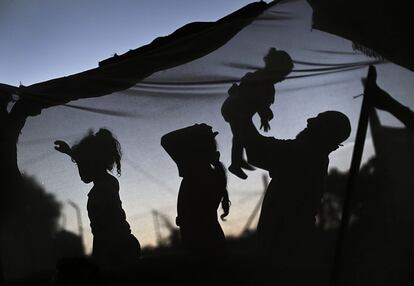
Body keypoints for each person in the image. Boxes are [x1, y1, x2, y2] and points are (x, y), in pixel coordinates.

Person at [237, 108, 351, 281]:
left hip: (283, 257)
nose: (309, 120)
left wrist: (241, 113)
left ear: (326, 136)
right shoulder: (313, 157)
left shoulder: (305, 155)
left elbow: (256, 151)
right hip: (291, 252)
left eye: (318, 122)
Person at [54, 129, 140, 273]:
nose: (79, 170)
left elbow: (105, 232)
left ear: (93, 163)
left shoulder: (102, 191)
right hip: (124, 245)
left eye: (81, 165)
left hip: (117, 250)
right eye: (78, 165)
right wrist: (71, 152)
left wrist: (101, 258)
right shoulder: (109, 182)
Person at [221, 47, 293, 179]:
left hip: (238, 110)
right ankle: (237, 162)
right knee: (242, 135)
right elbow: (257, 100)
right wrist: (264, 115)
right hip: (237, 110)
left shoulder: (263, 81)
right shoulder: (261, 80)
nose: (282, 79)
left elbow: (259, 102)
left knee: (241, 135)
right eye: (282, 75)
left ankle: (238, 160)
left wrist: (264, 116)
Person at [161, 123, 230, 259]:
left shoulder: (196, 172)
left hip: (201, 243)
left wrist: (194, 129)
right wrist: (197, 131)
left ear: (193, 151)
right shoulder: (207, 172)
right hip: (210, 240)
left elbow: (166, 140)